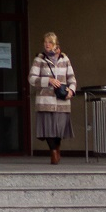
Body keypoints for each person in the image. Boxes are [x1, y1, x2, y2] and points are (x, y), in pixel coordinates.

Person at [27, 32, 76, 165]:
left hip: (62, 101)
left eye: (50, 42)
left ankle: (57, 148)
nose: (47, 44)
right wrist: (48, 80)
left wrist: (71, 90)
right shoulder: (39, 60)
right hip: (45, 100)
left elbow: (72, 78)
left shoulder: (65, 59)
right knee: (48, 128)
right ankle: (53, 151)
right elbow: (31, 79)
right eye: (45, 42)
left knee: (59, 128)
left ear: (56, 45)